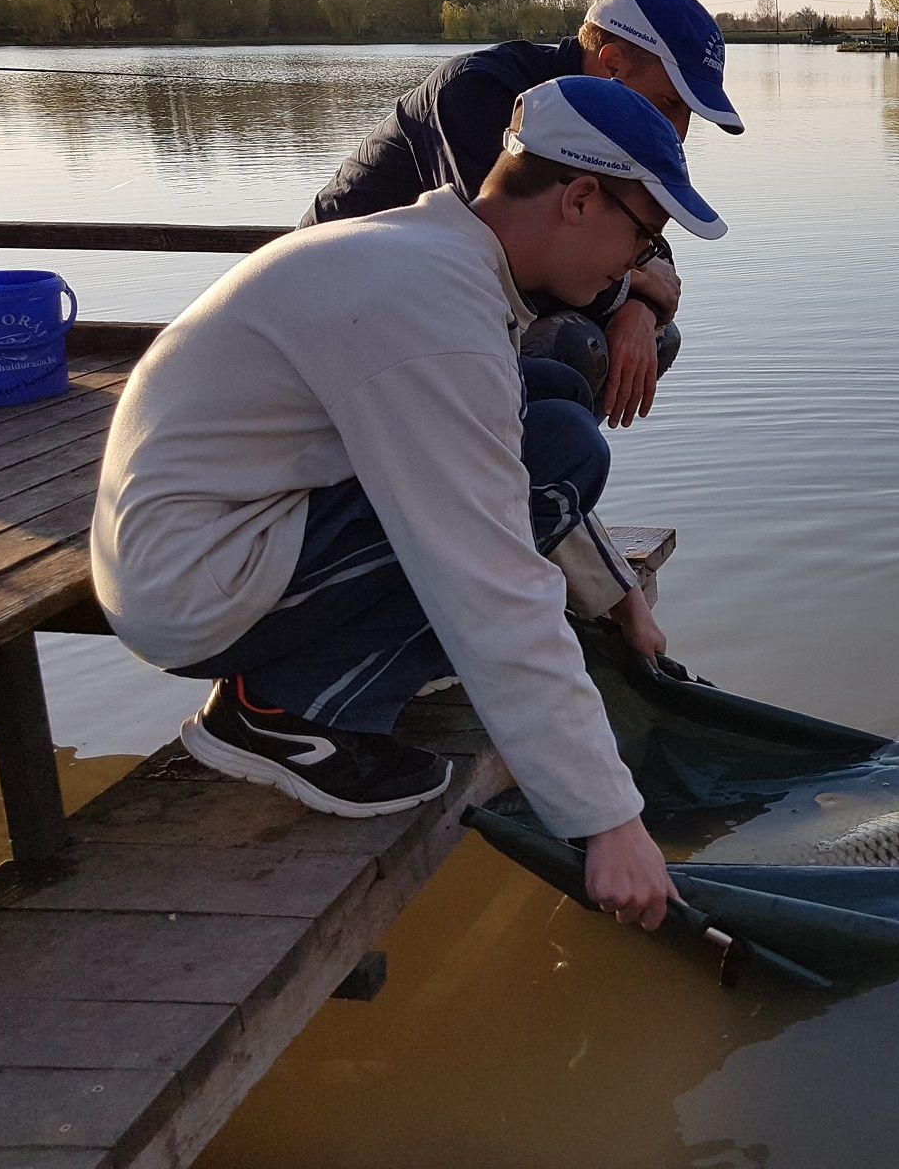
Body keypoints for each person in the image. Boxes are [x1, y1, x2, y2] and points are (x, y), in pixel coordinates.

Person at [92, 76, 728, 930]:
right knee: (540, 470)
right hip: (192, 583)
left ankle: (359, 661)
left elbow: (506, 452)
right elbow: (489, 580)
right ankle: (275, 714)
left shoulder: (435, 251)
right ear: (580, 199)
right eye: (644, 235)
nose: (640, 265)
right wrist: (609, 821)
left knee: (552, 408)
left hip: (228, 519)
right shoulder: (429, 309)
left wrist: (618, 599)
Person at [307, 0, 743, 428]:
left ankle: (541, 476)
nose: (680, 131)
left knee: (654, 338)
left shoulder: (613, 130)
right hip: (344, 301)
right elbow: (504, 264)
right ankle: (514, 476)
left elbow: (646, 237)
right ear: (611, 63)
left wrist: (640, 308)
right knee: (572, 348)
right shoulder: (480, 91)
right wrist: (635, 286)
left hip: (437, 300)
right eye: (672, 102)